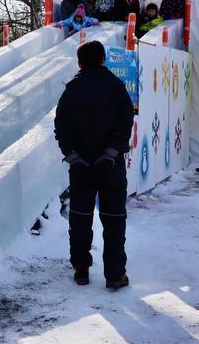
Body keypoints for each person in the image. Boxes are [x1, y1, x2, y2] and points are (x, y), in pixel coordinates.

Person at [54, 40, 134, 290]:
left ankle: (81, 268)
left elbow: (61, 127)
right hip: (110, 165)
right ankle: (115, 275)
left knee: (80, 218)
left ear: (79, 62)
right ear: (103, 59)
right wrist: (110, 152)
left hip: (81, 168)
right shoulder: (117, 87)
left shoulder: (71, 90)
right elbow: (125, 123)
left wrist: (74, 155)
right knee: (114, 220)